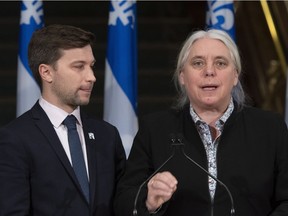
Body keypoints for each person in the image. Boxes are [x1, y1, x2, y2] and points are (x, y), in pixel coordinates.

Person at [114, 29, 288, 216]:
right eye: (198, 63)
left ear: (235, 75)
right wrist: (148, 201)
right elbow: (124, 201)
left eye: (220, 63)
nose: (209, 71)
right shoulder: (154, 129)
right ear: (182, 76)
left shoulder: (270, 128)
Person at [0, 24, 126, 216]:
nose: (92, 77)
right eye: (79, 67)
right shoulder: (14, 139)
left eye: (91, 66)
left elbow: (122, 204)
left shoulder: (107, 135)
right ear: (46, 72)